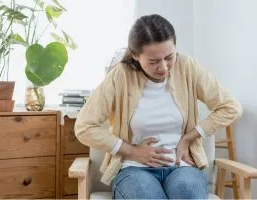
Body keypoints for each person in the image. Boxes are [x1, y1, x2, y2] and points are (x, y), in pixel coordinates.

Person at [75, 14, 242, 199]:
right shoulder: (120, 76)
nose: (163, 67)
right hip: (134, 170)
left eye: (169, 57)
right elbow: (84, 127)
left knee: (188, 193)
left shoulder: (187, 67)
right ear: (136, 56)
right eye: (153, 61)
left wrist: (189, 137)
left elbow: (230, 107)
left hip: (182, 168)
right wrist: (132, 151)